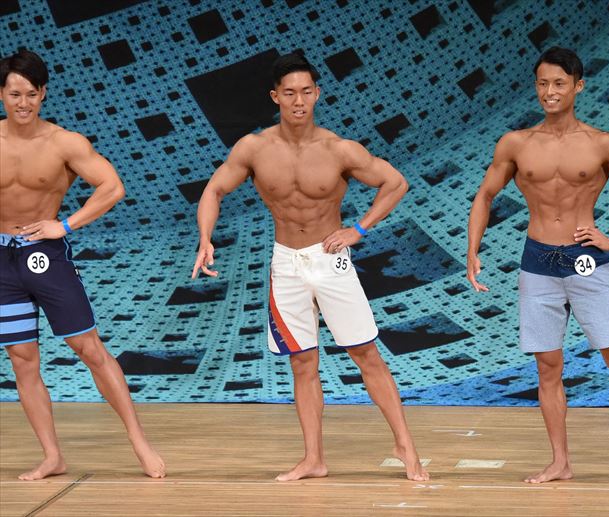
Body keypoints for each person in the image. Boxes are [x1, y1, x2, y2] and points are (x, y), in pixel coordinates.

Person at [192, 52, 428, 482]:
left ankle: (406, 447)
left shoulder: (339, 149)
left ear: (317, 93)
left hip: (329, 258)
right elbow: (213, 191)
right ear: (275, 97)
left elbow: (395, 183)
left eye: (305, 92)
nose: (298, 101)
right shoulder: (253, 148)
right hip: (286, 264)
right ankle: (314, 459)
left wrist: (359, 228)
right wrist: (205, 238)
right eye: (289, 93)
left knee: (366, 353)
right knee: (302, 363)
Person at [466, 47, 609, 486]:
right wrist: (472, 248)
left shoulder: (601, 144)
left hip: (586, 259)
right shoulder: (516, 143)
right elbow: (485, 195)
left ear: (578, 86)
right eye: (543, 83)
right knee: (547, 365)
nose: (550, 92)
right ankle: (560, 461)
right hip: (537, 260)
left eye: (559, 83)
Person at [0, 49, 165, 479]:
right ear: (1, 94)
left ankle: (139, 442)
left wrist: (64, 225)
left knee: (88, 348)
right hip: (2, 264)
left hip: (45, 256)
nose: (23, 103)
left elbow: (112, 187)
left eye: (31, 94)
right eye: (15, 94)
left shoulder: (64, 142)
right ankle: (52, 456)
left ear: (43, 93)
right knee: (22, 359)